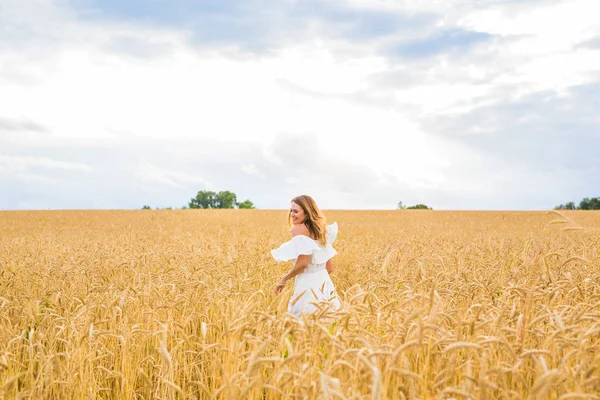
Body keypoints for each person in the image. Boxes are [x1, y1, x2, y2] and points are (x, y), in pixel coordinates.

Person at [271, 195, 341, 317]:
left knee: (302, 324)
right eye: (291, 210)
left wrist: (284, 279)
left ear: (307, 213)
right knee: (329, 323)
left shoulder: (298, 230)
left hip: (307, 285)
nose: (292, 214)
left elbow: (302, 264)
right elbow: (329, 268)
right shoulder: (323, 230)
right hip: (325, 283)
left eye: (296, 211)